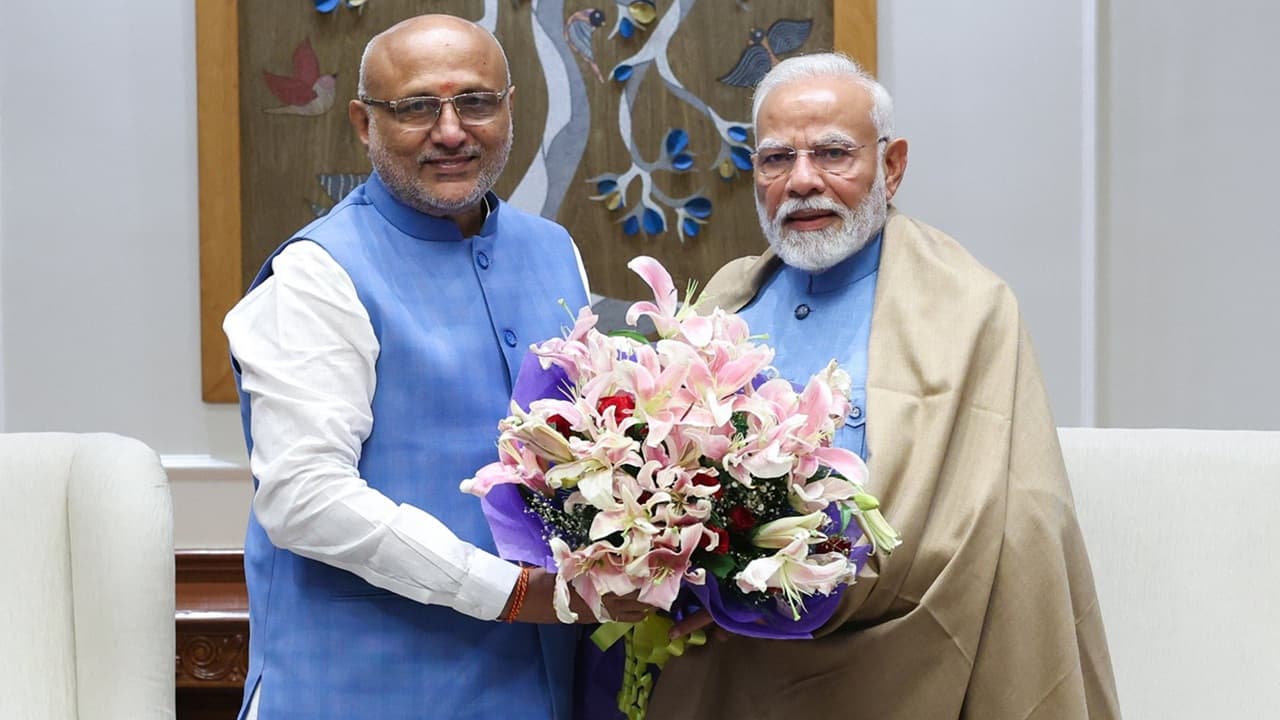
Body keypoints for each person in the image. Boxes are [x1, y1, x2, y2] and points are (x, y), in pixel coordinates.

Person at [648, 53, 1121, 719]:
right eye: (777, 159)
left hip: (908, 664)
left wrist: (804, 592)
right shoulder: (722, 301)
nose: (802, 181)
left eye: (834, 154)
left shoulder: (969, 305)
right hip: (729, 663)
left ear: (891, 167)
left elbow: (1011, 517)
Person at [224, 14, 646, 720]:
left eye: (475, 102)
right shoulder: (317, 273)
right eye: (417, 106)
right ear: (363, 123)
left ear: (510, 107)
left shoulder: (553, 249)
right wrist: (509, 593)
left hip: (537, 690)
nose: (451, 132)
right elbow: (305, 498)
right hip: (358, 690)